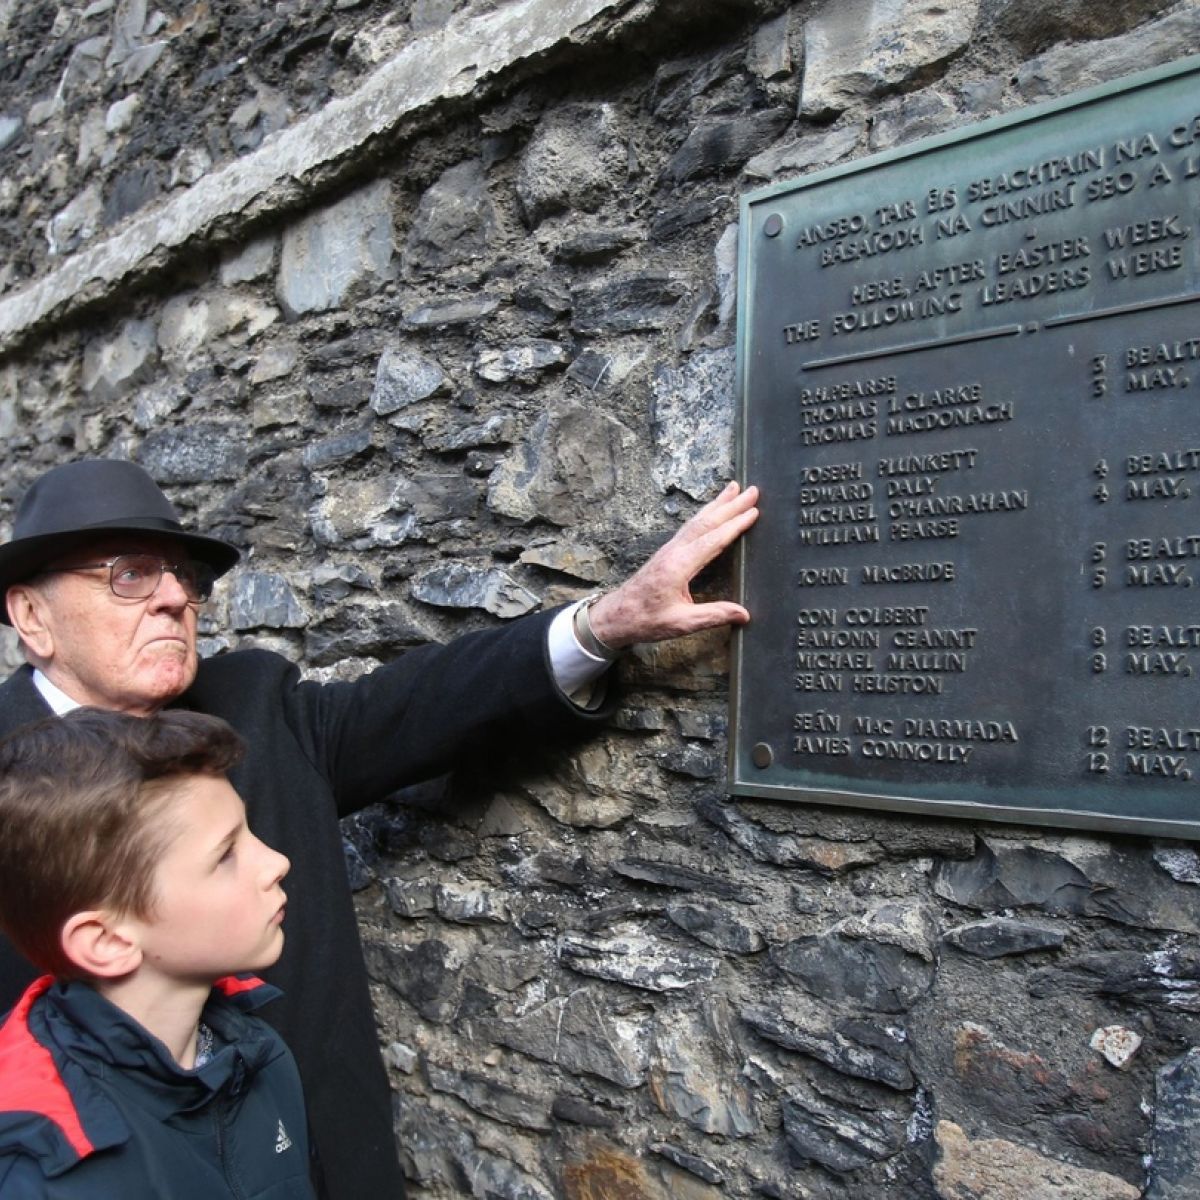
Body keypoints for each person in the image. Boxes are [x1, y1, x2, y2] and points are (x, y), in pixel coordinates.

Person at [0, 457, 759, 1198]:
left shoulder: (255, 701)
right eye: (129, 573)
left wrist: (609, 622)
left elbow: (419, 702)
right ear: (32, 616)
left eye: (183, 577)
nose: (174, 597)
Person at [0, 707, 316, 1199]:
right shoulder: (40, 1171)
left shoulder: (258, 1056)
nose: (277, 861)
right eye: (225, 855)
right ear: (109, 941)